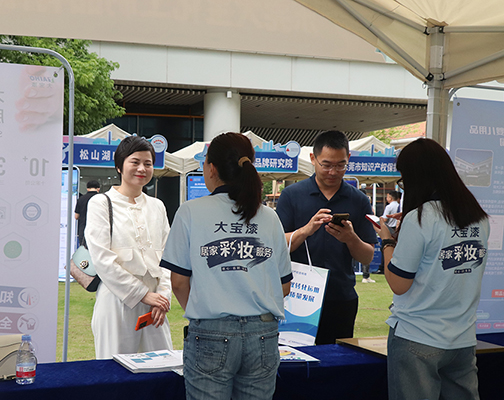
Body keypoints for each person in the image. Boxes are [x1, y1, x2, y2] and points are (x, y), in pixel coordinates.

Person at [161, 132, 292, 400]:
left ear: (212, 168)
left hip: (210, 332)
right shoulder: (269, 217)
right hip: (263, 335)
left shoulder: (190, 212)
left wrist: (205, 310)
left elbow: (178, 282)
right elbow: (284, 286)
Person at [376, 138, 489, 400]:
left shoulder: (421, 218)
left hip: (418, 337)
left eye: (403, 180)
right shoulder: (478, 217)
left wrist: (387, 241)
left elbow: (399, 284)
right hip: (462, 338)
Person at [275, 130, 376, 345]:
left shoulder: (358, 200)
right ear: (313, 159)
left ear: (348, 159)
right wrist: (306, 230)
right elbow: (277, 246)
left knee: (338, 360)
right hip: (298, 296)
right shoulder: (292, 195)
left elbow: (367, 257)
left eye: (341, 165)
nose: (333, 172)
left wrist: (351, 238)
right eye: (326, 164)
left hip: (341, 298)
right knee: (295, 358)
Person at [84, 136, 173, 359]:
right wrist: (141, 294)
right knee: (115, 367)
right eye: (135, 162)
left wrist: (162, 297)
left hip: (154, 303)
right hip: (117, 299)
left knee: (160, 365)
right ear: (119, 166)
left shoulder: (157, 206)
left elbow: (168, 256)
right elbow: (102, 259)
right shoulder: (101, 203)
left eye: (148, 163)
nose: (142, 168)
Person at [74, 180, 100, 246]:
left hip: (83, 228)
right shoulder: (102, 199)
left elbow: (76, 216)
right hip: (97, 229)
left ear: (87, 189)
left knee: (83, 248)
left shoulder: (81, 199)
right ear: (98, 189)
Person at [361, 192, 376, 283]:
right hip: (364, 233)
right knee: (366, 254)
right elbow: (372, 215)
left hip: (357, 232)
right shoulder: (365, 205)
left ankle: (366, 276)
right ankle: (365, 276)